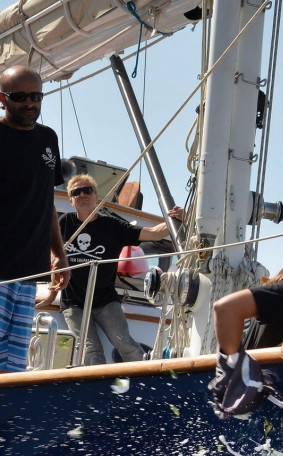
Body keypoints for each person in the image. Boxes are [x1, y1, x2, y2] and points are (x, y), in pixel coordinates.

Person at [39, 173, 183, 365]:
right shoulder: (64, 223)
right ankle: (97, 392)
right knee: (89, 350)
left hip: (105, 300)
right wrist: (50, 295)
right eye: (76, 192)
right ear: (71, 200)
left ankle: (146, 382)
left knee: (125, 344)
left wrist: (178, 219)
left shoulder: (112, 226)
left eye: (87, 190)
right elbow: (55, 262)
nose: (82, 194)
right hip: (73, 302)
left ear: (96, 196)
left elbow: (155, 234)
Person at [0, 65, 69, 373]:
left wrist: (60, 254)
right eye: (20, 96)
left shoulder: (47, 138)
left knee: (12, 367)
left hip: (29, 272)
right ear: (3, 99)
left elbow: (47, 201)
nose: (30, 103)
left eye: (36, 96)